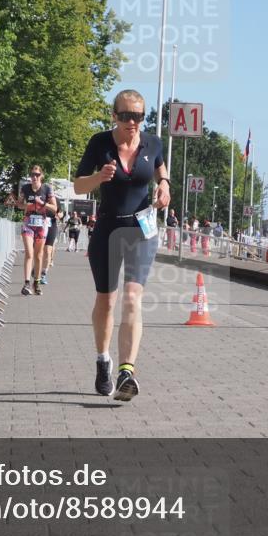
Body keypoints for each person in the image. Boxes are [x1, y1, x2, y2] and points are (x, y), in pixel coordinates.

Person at [73, 89, 170, 401]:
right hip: (108, 228)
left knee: (132, 296)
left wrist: (165, 186)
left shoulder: (152, 142)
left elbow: (160, 166)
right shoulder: (99, 143)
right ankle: (103, 360)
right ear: (114, 116)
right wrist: (99, 177)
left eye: (139, 116)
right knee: (107, 300)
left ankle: (127, 371)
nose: (133, 122)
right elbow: (78, 185)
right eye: (126, 115)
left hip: (142, 228)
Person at [5, 165, 56, 296]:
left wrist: (42, 203)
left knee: (39, 256)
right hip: (28, 222)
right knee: (29, 253)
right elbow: (19, 204)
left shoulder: (47, 189)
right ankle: (27, 283)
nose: (34, 177)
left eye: (37, 175)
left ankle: (36, 283)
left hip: (41, 224)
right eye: (32, 174)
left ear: (41, 176)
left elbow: (55, 208)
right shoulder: (25, 188)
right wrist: (28, 205)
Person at [42, 206, 61, 282]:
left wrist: (59, 215)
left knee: (48, 250)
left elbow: (60, 212)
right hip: (39, 225)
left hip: (51, 225)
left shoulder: (55, 199)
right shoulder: (39, 197)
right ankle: (37, 266)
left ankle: (43, 274)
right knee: (38, 251)